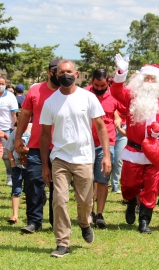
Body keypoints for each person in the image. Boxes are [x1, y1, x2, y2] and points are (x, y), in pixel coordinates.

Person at [39, 59, 111, 258]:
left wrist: (106, 155)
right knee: (59, 200)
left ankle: (85, 222)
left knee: (86, 201)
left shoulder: (88, 98)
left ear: (77, 74)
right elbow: (44, 135)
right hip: (60, 157)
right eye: (61, 72)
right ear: (55, 75)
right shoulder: (50, 102)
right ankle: (62, 242)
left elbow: (101, 127)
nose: (65, 75)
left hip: (84, 157)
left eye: (69, 71)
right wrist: (45, 166)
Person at [111, 54, 159, 234]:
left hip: (155, 152)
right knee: (129, 184)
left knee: (152, 187)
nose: (149, 81)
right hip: (134, 150)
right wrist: (121, 72)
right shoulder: (131, 97)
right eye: (146, 77)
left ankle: (145, 220)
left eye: (152, 78)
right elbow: (116, 92)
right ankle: (131, 201)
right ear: (140, 80)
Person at [14, 59, 61, 234]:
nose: (59, 75)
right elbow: (25, 115)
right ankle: (34, 221)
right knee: (33, 182)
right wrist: (18, 137)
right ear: (49, 72)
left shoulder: (68, 92)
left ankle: (56, 220)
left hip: (60, 147)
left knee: (59, 185)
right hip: (36, 146)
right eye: (56, 71)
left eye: (62, 72)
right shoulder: (35, 90)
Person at [85, 68, 123, 228]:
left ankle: (99, 214)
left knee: (102, 179)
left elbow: (125, 111)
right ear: (91, 82)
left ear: (108, 82)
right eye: (96, 85)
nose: (99, 88)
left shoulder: (115, 95)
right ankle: (89, 212)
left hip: (106, 144)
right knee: (87, 180)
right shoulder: (84, 94)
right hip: (85, 143)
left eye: (103, 85)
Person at [6, 116, 32, 224]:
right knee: (16, 189)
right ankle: (15, 215)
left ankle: (30, 215)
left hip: (31, 166)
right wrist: (12, 162)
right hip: (17, 166)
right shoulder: (14, 133)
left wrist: (28, 150)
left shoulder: (34, 129)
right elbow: (9, 149)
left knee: (30, 191)